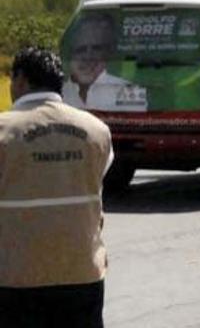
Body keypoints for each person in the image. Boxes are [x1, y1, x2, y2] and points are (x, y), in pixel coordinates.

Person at [0, 47, 113, 328]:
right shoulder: (96, 130)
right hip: (82, 272)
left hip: (15, 276)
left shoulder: (4, 130)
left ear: (22, 80)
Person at [62, 13, 135, 111]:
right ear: (70, 53)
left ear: (109, 53)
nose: (88, 57)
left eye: (96, 49)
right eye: (81, 49)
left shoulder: (128, 92)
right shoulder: (58, 93)